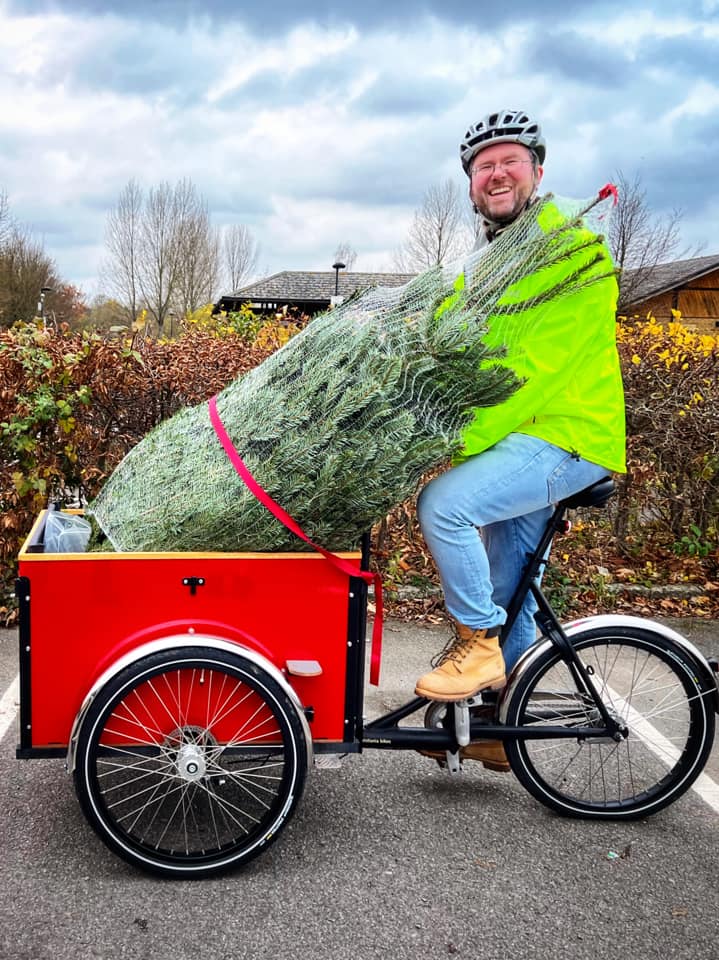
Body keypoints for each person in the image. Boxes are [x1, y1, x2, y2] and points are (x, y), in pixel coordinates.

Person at [414, 109, 626, 770]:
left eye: (509, 160)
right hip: (527, 438)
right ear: (470, 183)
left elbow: (526, 370)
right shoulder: (495, 256)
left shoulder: (567, 247)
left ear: (537, 171)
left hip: (563, 436)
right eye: (483, 165)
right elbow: (452, 330)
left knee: (444, 506)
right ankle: (498, 726)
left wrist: (447, 431)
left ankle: (476, 648)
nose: (495, 173)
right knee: (509, 582)